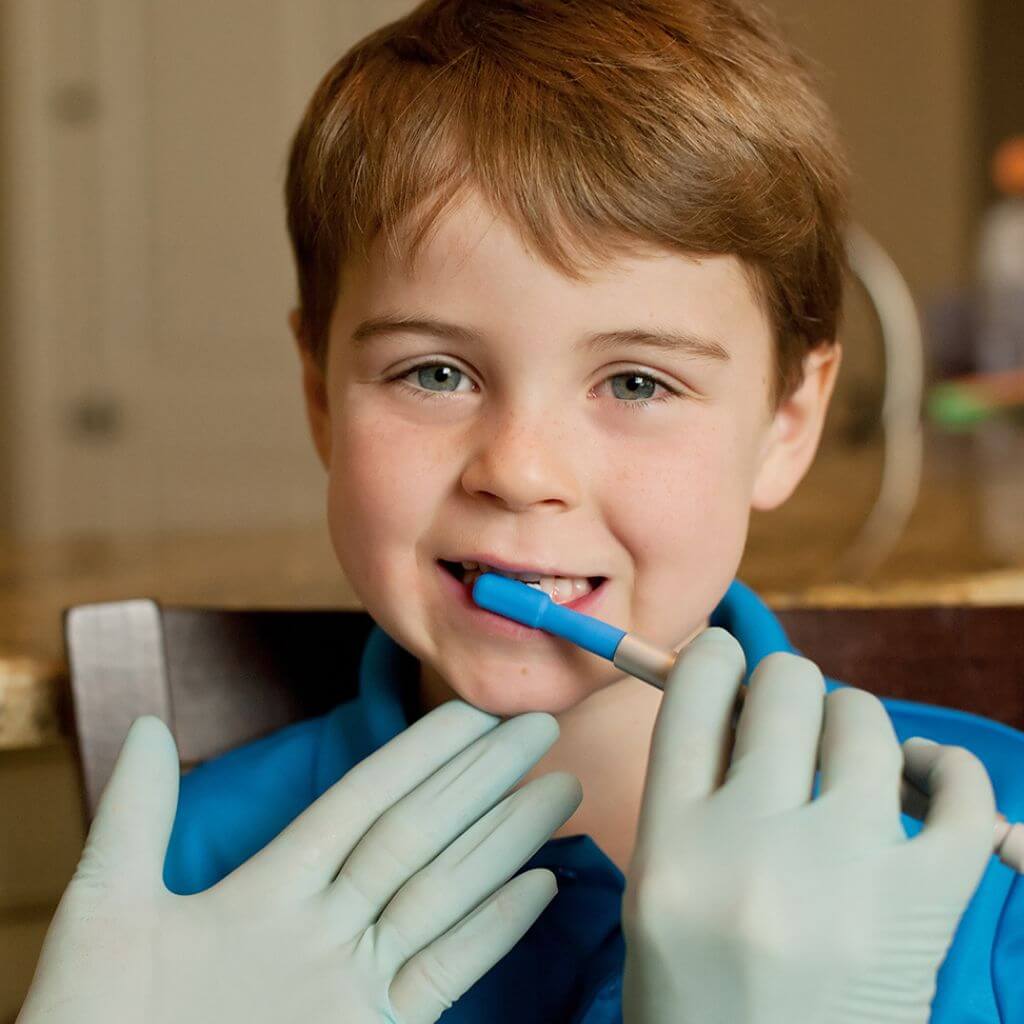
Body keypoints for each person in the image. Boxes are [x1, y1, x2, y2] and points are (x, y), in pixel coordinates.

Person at [22, 1, 1024, 1021]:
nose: (518, 470)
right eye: (434, 372)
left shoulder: (997, 830)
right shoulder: (191, 882)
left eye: (636, 382)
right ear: (321, 396)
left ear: (785, 423)